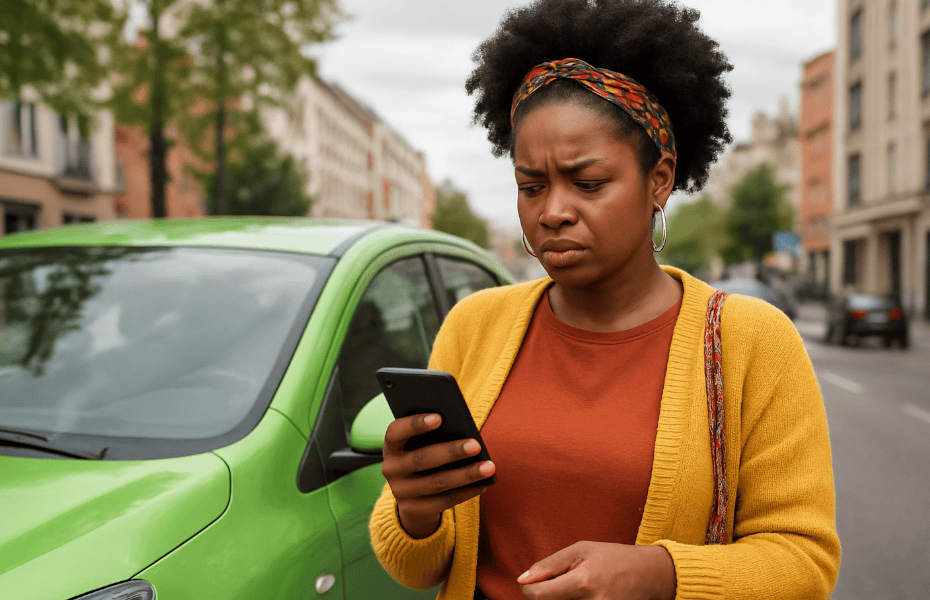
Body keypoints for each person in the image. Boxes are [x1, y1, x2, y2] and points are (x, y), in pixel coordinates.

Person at [369, 0, 841, 598]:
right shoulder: (474, 325)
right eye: (530, 187)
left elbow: (805, 562)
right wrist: (415, 510)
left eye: (588, 183)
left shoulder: (751, 341)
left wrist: (662, 575)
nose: (553, 212)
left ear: (660, 179)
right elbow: (416, 568)